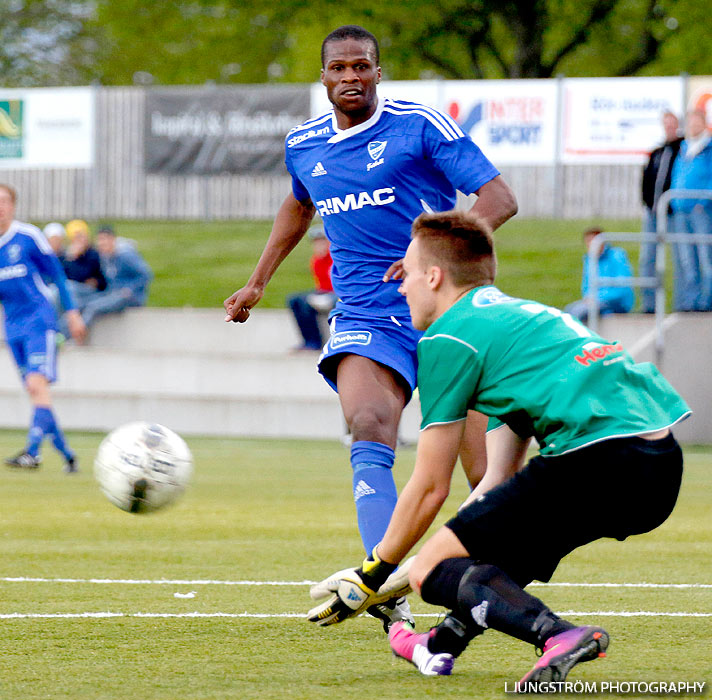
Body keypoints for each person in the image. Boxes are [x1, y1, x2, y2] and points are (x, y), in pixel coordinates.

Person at [307, 211, 690, 687]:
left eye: (405, 274)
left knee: (437, 569)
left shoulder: (448, 337)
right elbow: (494, 485)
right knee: (497, 557)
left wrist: (372, 575)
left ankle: (558, 636)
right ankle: (440, 644)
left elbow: (429, 487)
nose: (400, 288)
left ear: (434, 276)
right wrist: (393, 575)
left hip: (596, 458)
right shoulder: (518, 321)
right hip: (659, 468)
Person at [223, 25, 517, 629]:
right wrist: (257, 281)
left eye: (362, 66)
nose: (350, 77)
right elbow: (299, 204)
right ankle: (384, 588)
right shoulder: (304, 143)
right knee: (368, 423)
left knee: (485, 478)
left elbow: (498, 198)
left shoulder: (420, 125)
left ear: (378, 72)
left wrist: (430, 254)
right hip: (364, 313)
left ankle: (488, 604)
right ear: (324, 77)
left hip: (448, 310)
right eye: (338, 69)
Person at [0, 184, 87, 471]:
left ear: (13, 206)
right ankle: (68, 455)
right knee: (37, 392)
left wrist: (72, 313)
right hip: (12, 328)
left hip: (39, 321)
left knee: (37, 385)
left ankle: (33, 452)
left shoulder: (27, 237)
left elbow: (57, 275)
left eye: (4, 201)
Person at [640, 111, 683, 313]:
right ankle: (649, 305)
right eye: (666, 124)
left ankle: (683, 303)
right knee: (647, 257)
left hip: (673, 214)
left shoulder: (682, 150)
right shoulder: (657, 152)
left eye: (672, 124)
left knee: (680, 257)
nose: (669, 128)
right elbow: (647, 179)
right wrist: (648, 203)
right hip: (653, 212)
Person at [670, 109, 712, 311]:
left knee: (706, 256)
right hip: (681, 211)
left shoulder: (709, 148)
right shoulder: (684, 148)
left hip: (701, 211)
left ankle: (707, 301)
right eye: (690, 123)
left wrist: (702, 201)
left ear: (704, 124)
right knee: (686, 259)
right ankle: (690, 301)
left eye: (697, 123)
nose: (693, 127)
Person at [78, 224, 152, 330]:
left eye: (104, 239)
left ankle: (76, 333)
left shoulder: (126, 255)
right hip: (112, 293)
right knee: (81, 304)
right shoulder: (105, 257)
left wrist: (130, 289)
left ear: (112, 239)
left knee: (93, 307)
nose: (101, 243)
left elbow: (146, 274)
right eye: (99, 240)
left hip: (129, 297)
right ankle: (59, 333)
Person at [564, 227, 634, 324]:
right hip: (595, 300)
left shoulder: (616, 256)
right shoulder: (589, 259)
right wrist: (588, 297)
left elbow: (622, 288)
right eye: (588, 242)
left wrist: (597, 297)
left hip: (616, 302)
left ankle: (578, 337)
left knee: (578, 311)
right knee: (568, 310)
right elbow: (586, 284)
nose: (590, 245)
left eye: (593, 241)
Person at [286, 225, 336, 351]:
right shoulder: (317, 261)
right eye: (316, 243)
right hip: (324, 292)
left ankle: (315, 342)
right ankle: (308, 341)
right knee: (295, 300)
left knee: (306, 303)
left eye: (322, 242)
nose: (319, 246)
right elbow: (321, 285)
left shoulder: (335, 258)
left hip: (338, 294)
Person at [62, 219, 107, 309]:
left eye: (82, 237)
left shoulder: (93, 254)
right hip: (77, 290)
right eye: (76, 238)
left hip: (94, 292)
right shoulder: (66, 256)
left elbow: (82, 275)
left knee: (68, 288)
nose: (80, 240)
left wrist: (73, 260)